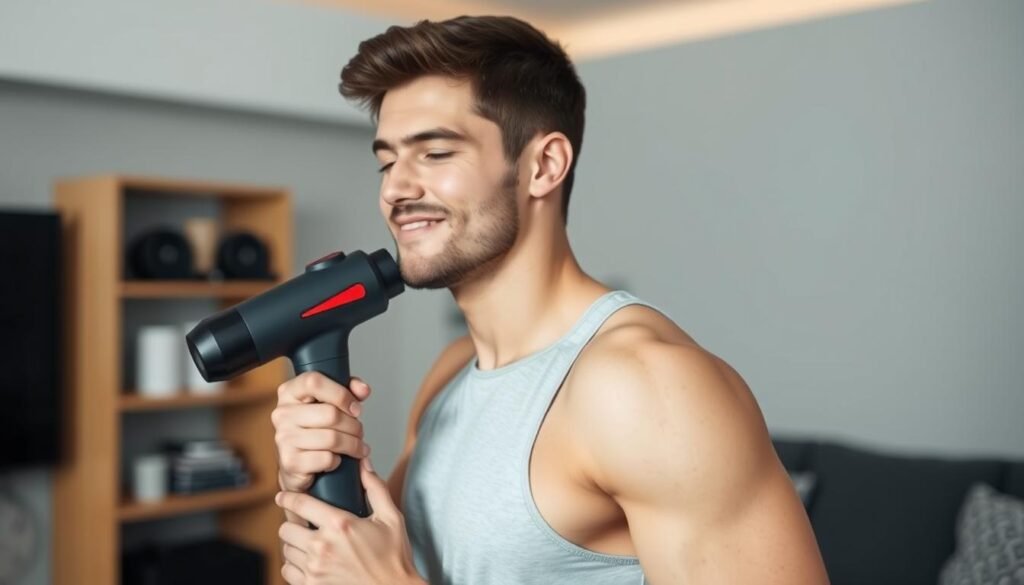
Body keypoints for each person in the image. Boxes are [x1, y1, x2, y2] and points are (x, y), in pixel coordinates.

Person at [271, 14, 829, 585]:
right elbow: (376, 564)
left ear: (543, 166)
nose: (395, 189)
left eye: (435, 153)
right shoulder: (452, 372)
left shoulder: (646, 386)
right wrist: (315, 479)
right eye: (387, 161)